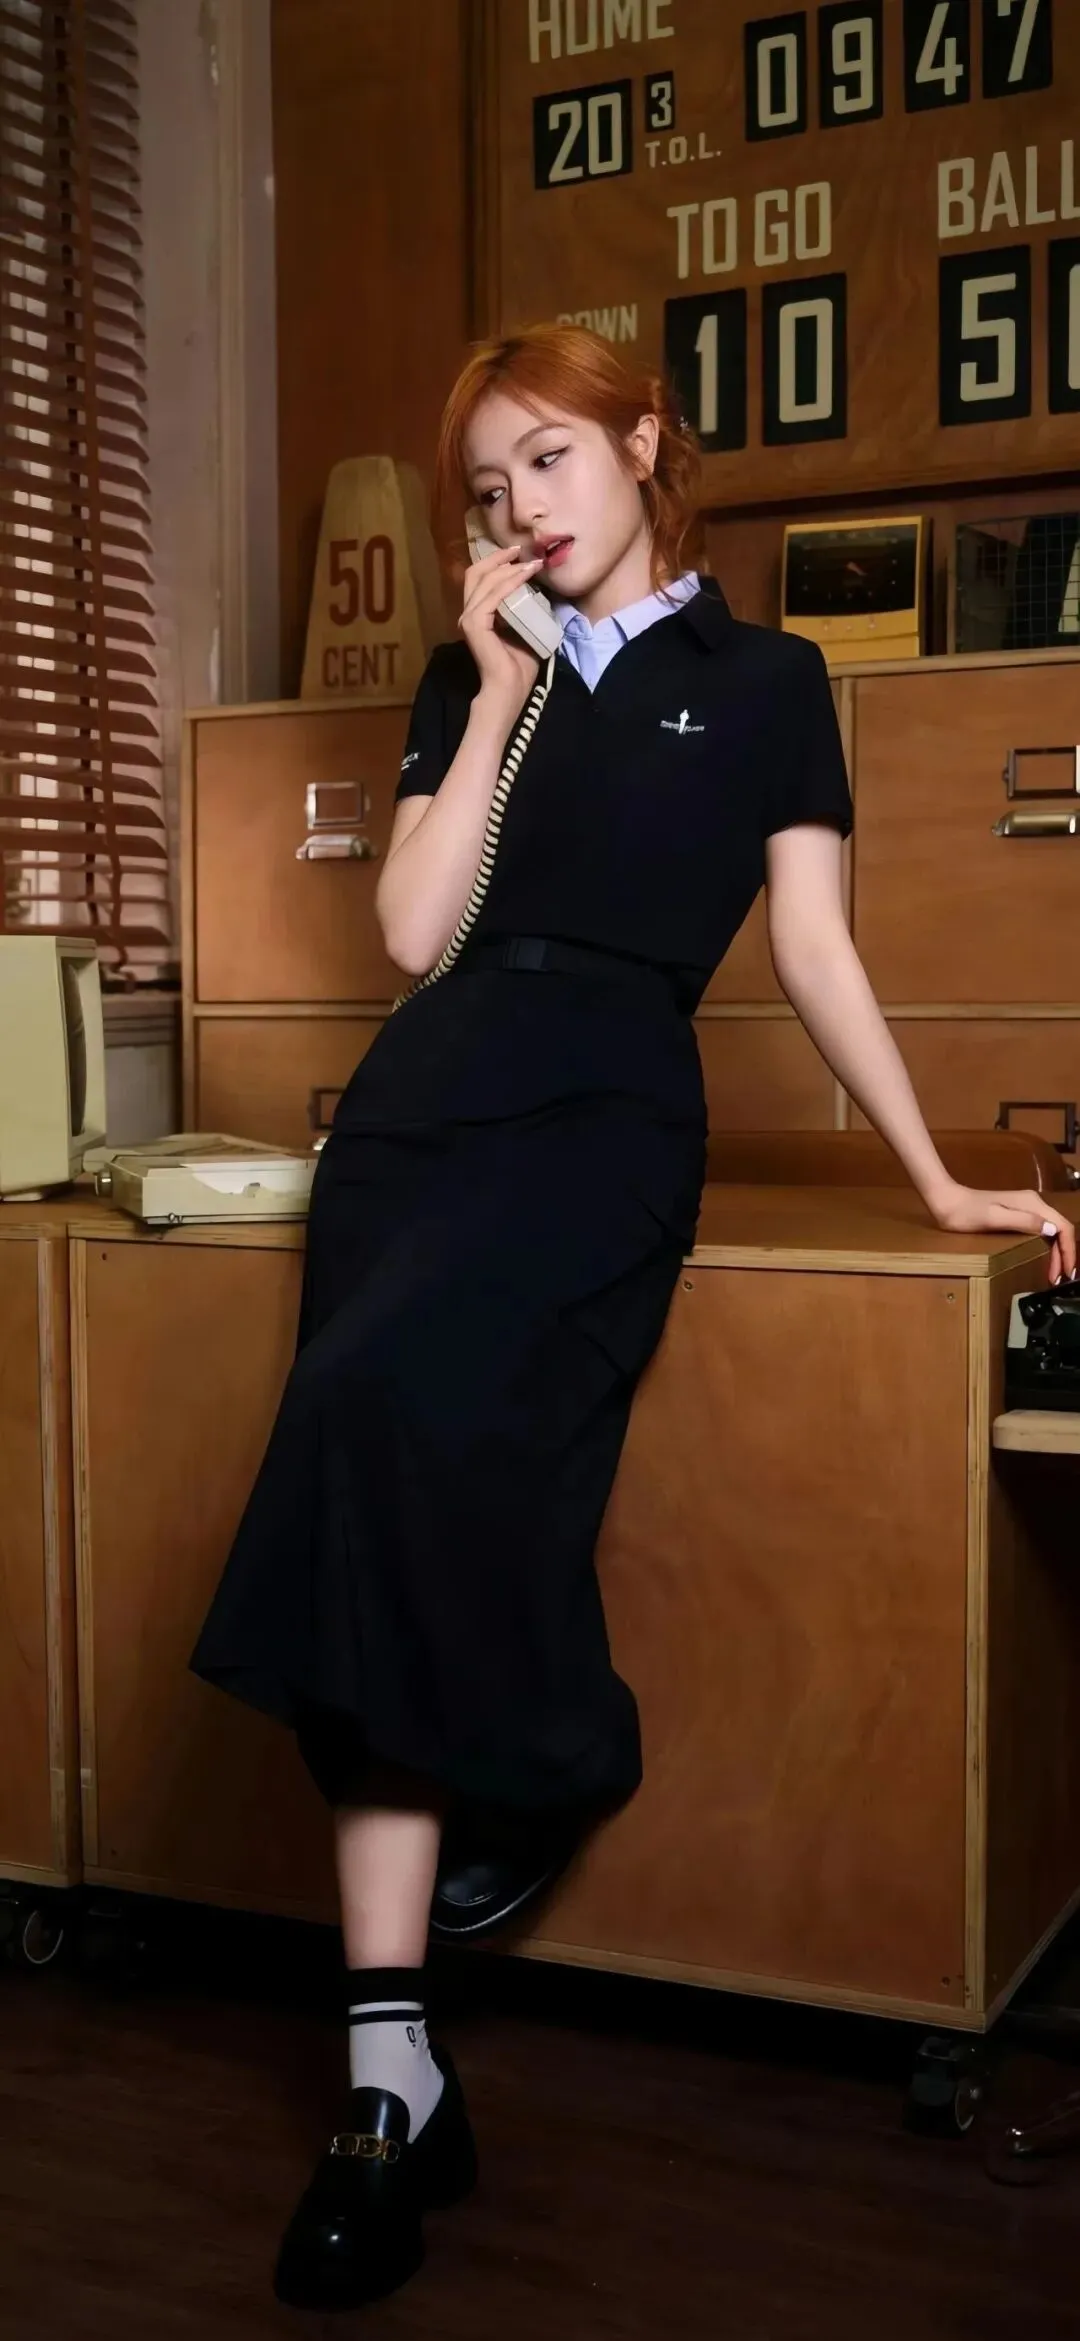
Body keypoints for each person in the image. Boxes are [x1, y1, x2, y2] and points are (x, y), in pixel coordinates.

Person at [188, 323, 1077, 2312]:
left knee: (408, 1427)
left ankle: (554, 1753)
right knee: (355, 1442)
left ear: (645, 444)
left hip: (604, 1112)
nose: (520, 506)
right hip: (419, 1115)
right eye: (488, 486)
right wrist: (501, 689)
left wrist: (938, 1172)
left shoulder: (769, 683)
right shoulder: (473, 675)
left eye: (551, 459)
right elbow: (410, 934)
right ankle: (388, 2074)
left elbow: (817, 945)